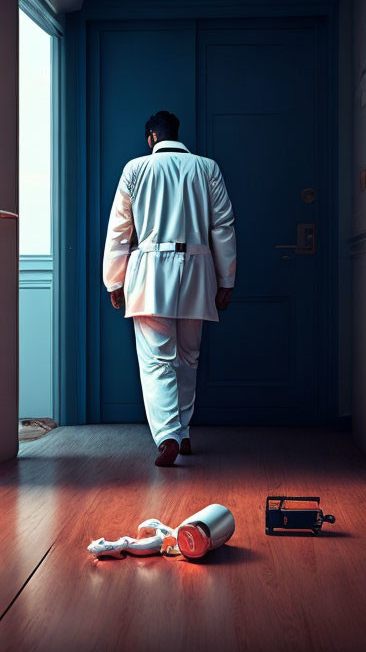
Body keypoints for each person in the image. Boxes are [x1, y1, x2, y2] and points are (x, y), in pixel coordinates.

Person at [102, 110, 236, 466]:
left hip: (149, 273)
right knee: (189, 358)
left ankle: (168, 436)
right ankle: (184, 432)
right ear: (177, 134)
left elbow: (120, 229)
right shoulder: (207, 168)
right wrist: (227, 279)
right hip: (197, 270)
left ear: (151, 137)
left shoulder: (136, 169)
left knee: (156, 360)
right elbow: (223, 226)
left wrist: (114, 280)